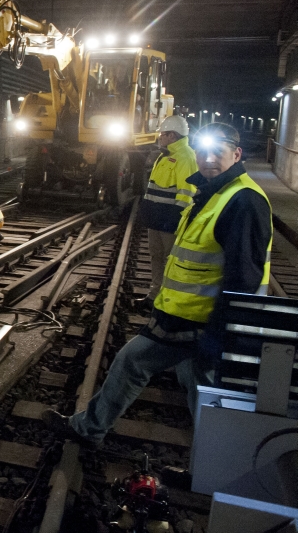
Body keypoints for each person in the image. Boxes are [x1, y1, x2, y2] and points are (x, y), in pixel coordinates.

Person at [44, 123, 272, 445]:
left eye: (217, 152)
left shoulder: (243, 202)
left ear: (236, 154)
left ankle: (89, 429)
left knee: (132, 361)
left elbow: (244, 278)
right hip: (192, 315)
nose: (207, 159)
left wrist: (219, 332)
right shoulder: (215, 191)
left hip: (199, 320)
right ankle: (215, 461)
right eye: (202, 152)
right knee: (198, 384)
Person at [136, 115, 198, 304]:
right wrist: (146, 210)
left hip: (170, 219)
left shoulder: (185, 157)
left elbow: (187, 192)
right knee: (156, 256)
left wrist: (176, 219)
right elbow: (153, 187)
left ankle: (169, 298)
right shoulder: (164, 156)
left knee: (171, 259)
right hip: (157, 218)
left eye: (163, 134)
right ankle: (155, 295)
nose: (160, 137)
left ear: (172, 135)